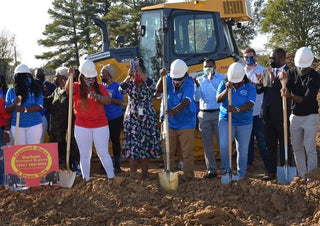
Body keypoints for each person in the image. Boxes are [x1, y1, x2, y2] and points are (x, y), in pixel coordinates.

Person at [66, 60, 114, 181]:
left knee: (103, 152)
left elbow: (108, 100)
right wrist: (70, 77)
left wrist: (97, 96)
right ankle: (86, 180)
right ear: (81, 77)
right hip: (82, 126)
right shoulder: (76, 87)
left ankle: (111, 178)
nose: (90, 81)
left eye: (92, 78)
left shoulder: (101, 87)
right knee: (85, 154)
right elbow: (68, 91)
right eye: (88, 79)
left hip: (100, 125)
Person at [280, 47, 320, 179]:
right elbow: (286, 85)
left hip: (310, 117)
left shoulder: (315, 77)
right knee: (297, 149)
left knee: (310, 149)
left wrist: (290, 96)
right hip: (295, 116)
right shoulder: (291, 72)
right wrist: (283, 81)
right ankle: (302, 176)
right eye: (300, 67)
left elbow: (307, 100)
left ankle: (311, 178)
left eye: (305, 67)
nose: (302, 69)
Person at [119, 58, 162, 180]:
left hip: (147, 120)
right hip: (132, 120)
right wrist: (129, 76)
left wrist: (141, 74)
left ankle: (144, 176)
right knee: (133, 148)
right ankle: (133, 177)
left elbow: (154, 89)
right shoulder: (130, 84)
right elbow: (121, 89)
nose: (136, 73)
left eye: (138, 71)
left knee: (146, 148)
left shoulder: (149, 83)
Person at [156, 59, 197, 182]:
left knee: (187, 152)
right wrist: (161, 77)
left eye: (179, 79)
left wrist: (175, 110)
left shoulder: (189, 83)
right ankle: (171, 175)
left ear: (185, 75)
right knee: (167, 150)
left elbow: (187, 100)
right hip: (170, 122)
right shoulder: (168, 78)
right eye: (175, 79)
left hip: (186, 122)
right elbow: (159, 90)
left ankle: (188, 176)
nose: (176, 81)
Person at [256, 47, 293, 181]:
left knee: (284, 145)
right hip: (267, 115)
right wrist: (259, 84)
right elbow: (261, 91)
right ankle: (271, 172)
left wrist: (275, 80)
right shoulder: (267, 71)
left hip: (282, 115)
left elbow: (287, 91)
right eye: (270, 58)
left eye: (273, 58)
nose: (271, 61)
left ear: (282, 58)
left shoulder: (290, 72)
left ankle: (285, 171)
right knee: (269, 145)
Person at [216, 62, 256, 179]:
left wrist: (237, 109)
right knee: (224, 145)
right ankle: (227, 171)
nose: (235, 83)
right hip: (226, 120)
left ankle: (241, 174)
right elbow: (218, 99)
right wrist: (226, 91)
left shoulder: (250, 87)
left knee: (242, 150)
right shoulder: (223, 84)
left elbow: (250, 104)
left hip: (244, 122)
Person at [193, 58, 225, 178]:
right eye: (206, 66)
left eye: (210, 66)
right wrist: (196, 86)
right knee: (207, 144)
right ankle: (212, 169)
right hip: (204, 114)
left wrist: (211, 80)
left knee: (222, 142)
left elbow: (220, 93)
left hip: (218, 113)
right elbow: (196, 98)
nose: (208, 69)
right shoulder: (200, 80)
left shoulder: (221, 78)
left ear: (215, 67)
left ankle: (225, 168)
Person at [44, 67, 80, 170]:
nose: (55, 79)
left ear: (63, 78)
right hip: (56, 126)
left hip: (68, 124)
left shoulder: (70, 92)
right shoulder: (56, 90)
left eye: (57, 76)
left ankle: (74, 165)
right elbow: (49, 101)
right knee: (57, 146)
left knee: (70, 144)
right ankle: (61, 164)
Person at [243, 48, 268, 172]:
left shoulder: (262, 70)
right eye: (246, 57)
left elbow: (265, 89)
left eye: (251, 56)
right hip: (246, 113)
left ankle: (268, 165)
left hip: (259, 112)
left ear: (255, 57)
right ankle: (248, 164)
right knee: (247, 141)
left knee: (262, 140)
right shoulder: (241, 72)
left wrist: (258, 84)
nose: (249, 59)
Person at [5, 64, 43, 145]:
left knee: (33, 151)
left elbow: (40, 106)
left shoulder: (36, 89)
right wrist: (14, 104)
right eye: (24, 76)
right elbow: (7, 109)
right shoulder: (11, 91)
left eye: (28, 75)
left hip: (34, 124)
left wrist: (25, 109)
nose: (27, 77)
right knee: (21, 152)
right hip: (17, 125)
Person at [100, 64, 124, 174]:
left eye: (102, 73)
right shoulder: (100, 87)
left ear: (109, 74)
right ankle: (103, 164)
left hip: (115, 118)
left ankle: (117, 164)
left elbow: (120, 101)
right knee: (103, 142)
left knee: (115, 141)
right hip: (102, 119)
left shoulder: (117, 86)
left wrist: (108, 99)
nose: (100, 75)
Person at [34, 68, 56, 143]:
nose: (39, 75)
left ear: (44, 75)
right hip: (38, 113)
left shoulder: (50, 85)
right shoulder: (33, 85)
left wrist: (46, 92)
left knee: (50, 131)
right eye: (37, 74)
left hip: (48, 113)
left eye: (41, 74)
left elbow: (52, 98)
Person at [0, 76, 11, 185]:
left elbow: (7, 118)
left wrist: (6, 132)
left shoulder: (1, 101)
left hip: (1, 133)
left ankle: (3, 184)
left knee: (2, 161)